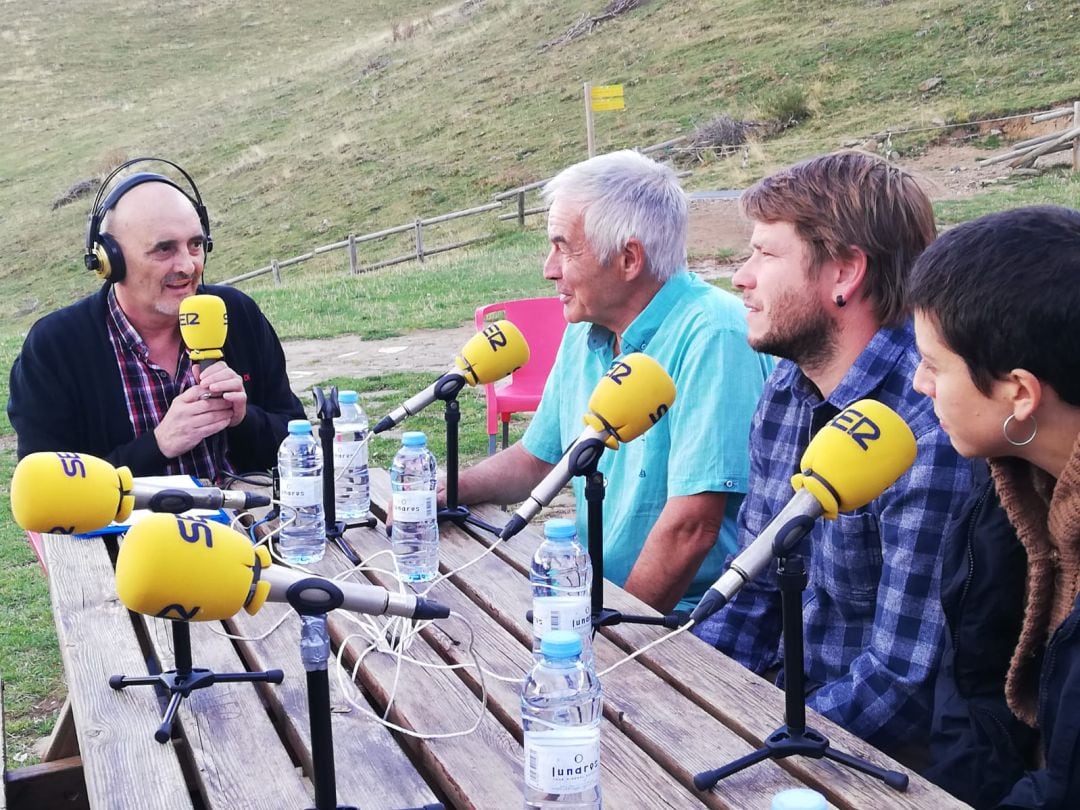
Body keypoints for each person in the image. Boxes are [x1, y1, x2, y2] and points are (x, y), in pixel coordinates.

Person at [691, 150, 972, 756]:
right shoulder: (788, 387)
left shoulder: (930, 425)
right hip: (779, 713)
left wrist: (747, 746)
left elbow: (902, 681)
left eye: (765, 254)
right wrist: (682, 696)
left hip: (868, 759)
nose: (740, 276)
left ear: (844, 273)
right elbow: (754, 591)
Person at [454, 150, 772, 614]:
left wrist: (609, 638)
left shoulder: (715, 334)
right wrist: (446, 491)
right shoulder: (585, 325)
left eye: (564, 247)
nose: (549, 268)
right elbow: (536, 461)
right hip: (596, 602)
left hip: (679, 627)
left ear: (628, 258)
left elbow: (692, 528)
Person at [911, 205, 1080, 809]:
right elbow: (969, 694)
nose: (918, 384)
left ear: (1020, 393)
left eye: (934, 365)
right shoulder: (1009, 489)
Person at [8, 160, 304, 481]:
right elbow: (47, 488)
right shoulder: (55, 346)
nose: (188, 266)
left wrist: (243, 419)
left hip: (244, 522)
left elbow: (297, 442)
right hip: (124, 530)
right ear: (109, 261)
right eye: (164, 249)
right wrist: (159, 445)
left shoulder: (237, 313)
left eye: (196, 245)